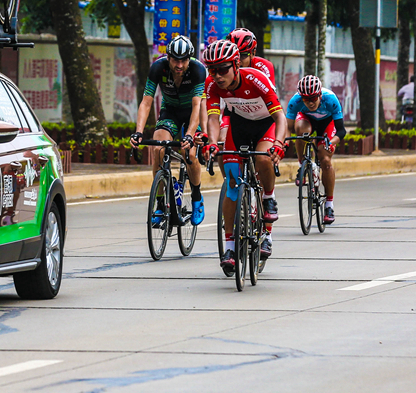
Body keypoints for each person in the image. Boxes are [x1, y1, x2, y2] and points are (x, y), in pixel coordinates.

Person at [201, 39, 286, 275]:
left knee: (262, 160)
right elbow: (212, 118)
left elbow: (280, 118)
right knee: (231, 183)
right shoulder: (212, 84)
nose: (217, 75)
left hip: (265, 125)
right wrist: (211, 143)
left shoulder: (255, 78)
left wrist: (278, 143)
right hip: (239, 126)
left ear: (236, 65)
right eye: (212, 69)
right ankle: (229, 248)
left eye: (222, 69)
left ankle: (268, 197)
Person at [130, 35, 207, 226]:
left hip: (191, 111)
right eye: (175, 60)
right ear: (168, 58)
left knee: (188, 152)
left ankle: (197, 196)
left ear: (189, 59)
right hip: (170, 111)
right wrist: (138, 132)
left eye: (183, 61)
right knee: (158, 149)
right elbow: (146, 101)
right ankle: (160, 204)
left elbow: (198, 105)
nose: (179, 65)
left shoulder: (198, 70)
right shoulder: (158, 67)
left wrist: (190, 135)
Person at [286, 75, 345, 224]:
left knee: (325, 159)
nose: (310, 102)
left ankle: (329, 205)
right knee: (300, 132)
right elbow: (288, 128)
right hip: (307, 120)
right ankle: (302, 165)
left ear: (319, 94)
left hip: (328, 123)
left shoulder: (330, 99)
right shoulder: (295, 101)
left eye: (313, 98)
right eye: (306, 99)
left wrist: (330, 142)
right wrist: (283, 143)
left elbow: (341, 131)